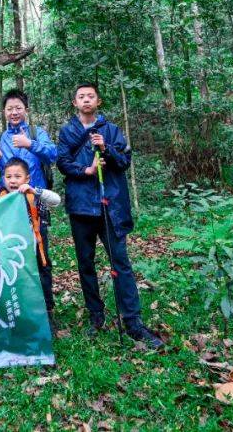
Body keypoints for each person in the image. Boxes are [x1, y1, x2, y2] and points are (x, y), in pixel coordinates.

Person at [56, 82, 163, 349]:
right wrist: (86, 171)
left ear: (98, 101)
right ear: (75, 102)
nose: (86, 100)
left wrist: (106, 148)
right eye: (81, 96)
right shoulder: (67, 131)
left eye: (90, 96)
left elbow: (124, 162)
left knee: (121, 262)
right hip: (81, 207)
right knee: (85, 263)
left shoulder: (112, 130)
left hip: (109, 206)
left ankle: (133, 321)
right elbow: (63, 163)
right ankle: (96, 315)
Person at [0, 152, 60, 321]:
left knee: (42, 274)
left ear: (27, 178)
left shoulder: (33, 194)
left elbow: (56, 200)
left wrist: (35, 190)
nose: (12, 180)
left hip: (35, 244)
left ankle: (47, 311)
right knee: (17, 278)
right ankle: (18, 314)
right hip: (11, 247)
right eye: (8, 176)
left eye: (17, 176)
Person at [0, 88, 57, 190]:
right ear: (4, 112)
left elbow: (52, 155)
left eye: (18, 108)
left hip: (36, 196)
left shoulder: (37, 133)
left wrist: (30, 144)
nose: (14, 112)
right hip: (10, 198)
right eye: (9, 109)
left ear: (26, 110)